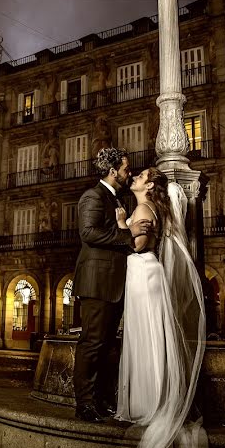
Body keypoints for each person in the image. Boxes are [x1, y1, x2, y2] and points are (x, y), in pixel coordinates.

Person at [114, 167, 207, 448]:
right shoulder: (153, 208)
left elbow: (136, 244)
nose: (134, 179)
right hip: (149, 272)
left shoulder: (142, 207)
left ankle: (148, 402)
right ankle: (156, 397)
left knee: (144, 336)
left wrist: (119, 224)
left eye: (139, 176)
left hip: (142, 271)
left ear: (149, 184)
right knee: (154, 335)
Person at [72, 147, 151, 423]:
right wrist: (127, 233)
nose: (129, 172)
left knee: (106, 345)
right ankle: (84, 404)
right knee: (92, 344)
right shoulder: (93, 196)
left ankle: (101, 399)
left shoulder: (116, 197)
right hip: (97, 282)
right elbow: (89, 232)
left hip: (113, 282)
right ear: (112, 170)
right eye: (126, 168)